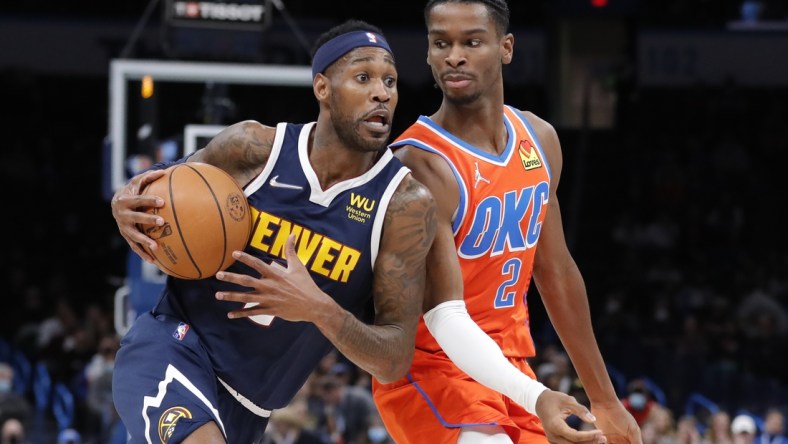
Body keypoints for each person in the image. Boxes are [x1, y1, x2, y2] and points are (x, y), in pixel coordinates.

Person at [109, 20, 436, 443]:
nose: (382, 92)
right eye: (363, 77)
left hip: (252, 409)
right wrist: (124, 202)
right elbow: (156, 189)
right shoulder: (252, 149)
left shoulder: (403, 206)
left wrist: (320, 309)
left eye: (390, 80)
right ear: (323, 88)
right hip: (174, 347)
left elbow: (393, 357)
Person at [370, 1, 643, 443]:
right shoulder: (419, 165)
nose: (454, 55)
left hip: (510, 366)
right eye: (441, 43)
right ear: (427, 53)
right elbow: (444, 316)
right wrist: (535, 396)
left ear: (506, 48)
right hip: (431, 368)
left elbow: (555, 272)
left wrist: (605, 398)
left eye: (472, 42)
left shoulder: (540, 139)